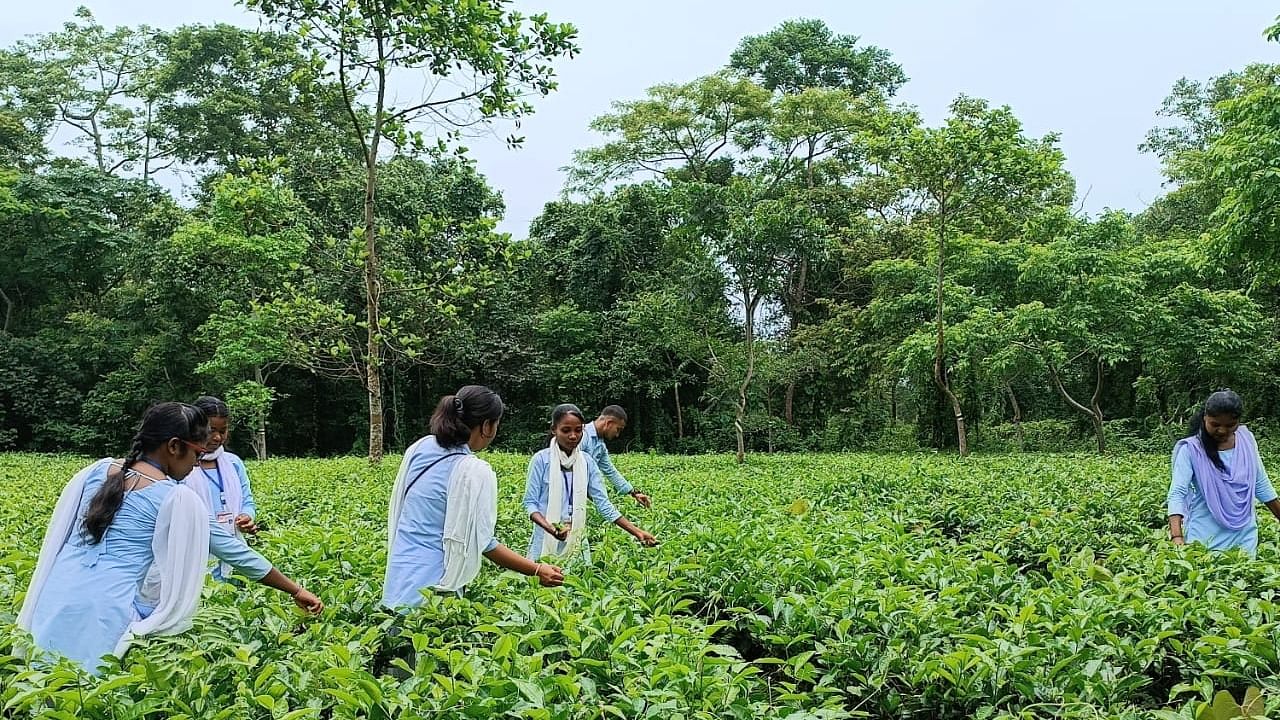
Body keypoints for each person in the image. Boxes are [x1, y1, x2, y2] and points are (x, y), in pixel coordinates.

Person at [18, 402, 322, 674]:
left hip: (55, 595)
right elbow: (233, 551)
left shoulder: (95, 471)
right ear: (174, 447)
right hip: (106, 613)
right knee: (87, 691)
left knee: (41, 683)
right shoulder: (175, 499)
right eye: (197, 453)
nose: (195, 464)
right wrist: (295, 590)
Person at [382, 385, 564, 611]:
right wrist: (536, 569)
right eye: (496, 424)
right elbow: (484, 542)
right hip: (434, 590)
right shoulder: (472, 470)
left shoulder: (420, 447)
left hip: (398, 579)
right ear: (486, 426)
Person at [524, 403, 657, 563]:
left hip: (576, 535)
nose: (573, 436)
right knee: (539, 578)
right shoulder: (541, 460)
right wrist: (550, 528)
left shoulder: (587, 462)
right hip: (544, 536)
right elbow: (530, 504)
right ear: (554, 430)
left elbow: (604, 502)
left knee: (578, 581)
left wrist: (637, 532)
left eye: (578, 430)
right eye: (566, 430)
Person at [1168, 389, 1280, 556]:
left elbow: (1260, 483)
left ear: (1238, 421)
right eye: (1215, 424)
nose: (1222, 430)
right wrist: (1177, 536)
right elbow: (1178, 492)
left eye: (1230, 425)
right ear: (1205, 417)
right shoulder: (1191, 449)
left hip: (1244, 537)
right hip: (1204, 539)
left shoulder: (1246, 441)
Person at [185, 396, 259, 580]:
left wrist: (246, 516)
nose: (217, 437)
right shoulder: (183, 465)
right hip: (194, 554)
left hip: (232, 551)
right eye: (211, 431)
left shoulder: (233, 463)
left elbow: (247, 500)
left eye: (223, 431)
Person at [582, 405, 651, 508]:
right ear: (609, 423)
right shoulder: (581, 435)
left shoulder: (600, 446)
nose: (617, 434)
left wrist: (634, 493)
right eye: (618, 429)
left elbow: (610, 471)